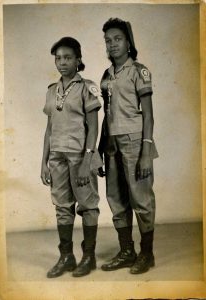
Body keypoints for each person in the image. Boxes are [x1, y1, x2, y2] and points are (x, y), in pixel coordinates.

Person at [98, 18, 158, 274]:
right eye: (108, 40)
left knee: (141, 199)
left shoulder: (139, 71)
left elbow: (149, 115)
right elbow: (107, 115)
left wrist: (146, 152)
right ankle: (126, 251)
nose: (112, 45)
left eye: (117, 39)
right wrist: (100, 151)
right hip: (111, 145)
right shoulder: (106, 75)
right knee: (116, 199)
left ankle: (147, 254)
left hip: (135, 143)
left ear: (129, 42)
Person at [41, 37, 102, 278]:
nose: (62, 62)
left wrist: (88, 160)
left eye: (67, 57)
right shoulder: (51, 91)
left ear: (78, 60)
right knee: (62, 207)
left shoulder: (87, 87)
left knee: (87, 205)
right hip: (57, 157)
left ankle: (89, 256)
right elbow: (48, 129)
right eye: (58, 58)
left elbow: (93, 127)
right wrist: (43, 163)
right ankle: (66, 256)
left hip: (80, 157)